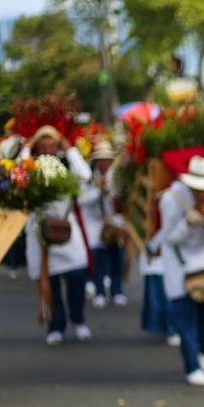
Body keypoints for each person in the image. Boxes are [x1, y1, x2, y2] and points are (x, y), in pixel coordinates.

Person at [159, 156, 204, 386]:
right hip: (179, 265)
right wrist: (189, 222)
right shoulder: (171, 199)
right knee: (185, 316)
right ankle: (192, 365)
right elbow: (168, 236)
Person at [24, 126, 94, 346]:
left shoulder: (67, 167)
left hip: (67, 230)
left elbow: (86, 174)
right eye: (42, 145)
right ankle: (56, 326)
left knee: (76, 278)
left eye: (52, 144)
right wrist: (27, 148)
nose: (47, 148)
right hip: (40, 232)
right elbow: (16, 172)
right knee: (50, 282)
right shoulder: (31, 169)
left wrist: (70, 149)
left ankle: (78, 320)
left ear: (58, 146)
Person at [84, 142, 128, 309]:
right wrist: (98, 192)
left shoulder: (117, 177)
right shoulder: (88, 178)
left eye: (107, 160)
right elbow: (82, 200)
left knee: (117, 257)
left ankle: (117, 291)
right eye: (101, 160)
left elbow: (122, 199)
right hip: (95, 222)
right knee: (98, 259)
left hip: (114, 220)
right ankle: (100, 291)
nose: (104, 164)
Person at [139, 229, 179, 346]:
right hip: (157, 259)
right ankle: (171, 329)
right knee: (161, 296)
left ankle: (174, 329)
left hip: (172, 253)